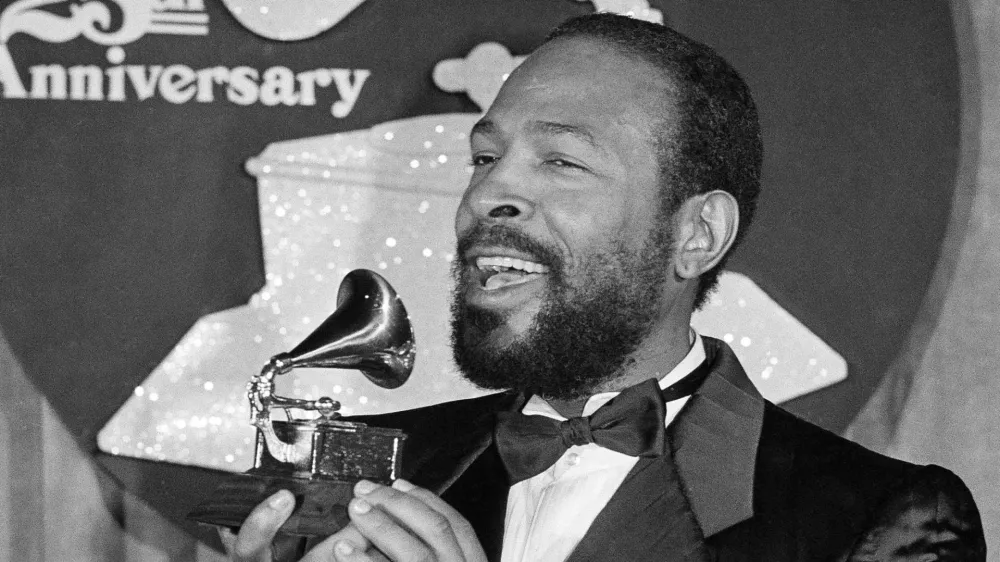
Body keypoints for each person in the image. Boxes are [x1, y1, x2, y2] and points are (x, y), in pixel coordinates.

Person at [223, 13, 986, 562]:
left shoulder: (884, 517)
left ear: (697, 234)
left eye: (561, 162)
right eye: (485, 158)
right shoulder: (377, 467)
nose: (487, 197)